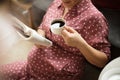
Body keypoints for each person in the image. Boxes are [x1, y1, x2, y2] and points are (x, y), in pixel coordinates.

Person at [0, 0, 111, 80]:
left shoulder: (94, 18)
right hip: (29, 69)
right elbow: (43, 26)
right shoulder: (57, 3)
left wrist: (80, 43)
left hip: (57, 75)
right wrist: (39, 37)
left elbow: (102, 61)